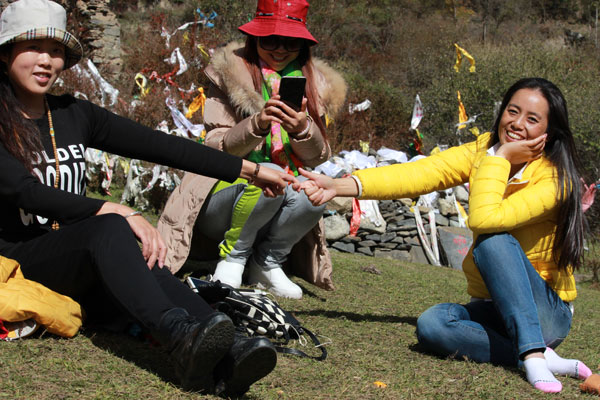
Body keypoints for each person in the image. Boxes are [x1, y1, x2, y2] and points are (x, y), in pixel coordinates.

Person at [0, 0, 291, 395]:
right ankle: (179, 337)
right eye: (33, 48)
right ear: (6, 53)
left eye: (55, 51)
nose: (46, 60)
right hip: (19, 261)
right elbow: (23, 190)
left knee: (141, 257)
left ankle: (228, 350)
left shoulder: (72, 113)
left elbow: (162, 146)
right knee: (109, 228)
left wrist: (251, 171)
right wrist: (113, 208)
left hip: (76, 255)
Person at [299, 78, 592, 394]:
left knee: (493, 239)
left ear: (550, 132)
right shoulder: (484, 149)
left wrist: (500, 158)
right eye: (513, 111)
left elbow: (484, 219)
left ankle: (533, 351)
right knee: (433, 325)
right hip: (494, 307)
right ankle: (534, 355)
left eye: (532, 119)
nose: (517, 123)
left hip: (546, 313)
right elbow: (421, 173)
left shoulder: (556, 181)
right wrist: (339, 185)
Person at [158, 0, 346, 299]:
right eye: (270, 39)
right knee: (267, 173)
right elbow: (214, 145)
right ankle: (232, 257)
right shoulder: (229, 74)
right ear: (254, 38)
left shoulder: (315, 84)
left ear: (303, 45)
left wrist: (302, 129)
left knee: (314, 190)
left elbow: (318, 157)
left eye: (291, 42)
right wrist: (257, 124)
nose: (280, 49)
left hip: (277, 197)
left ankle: (267, 263)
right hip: (221, 193)